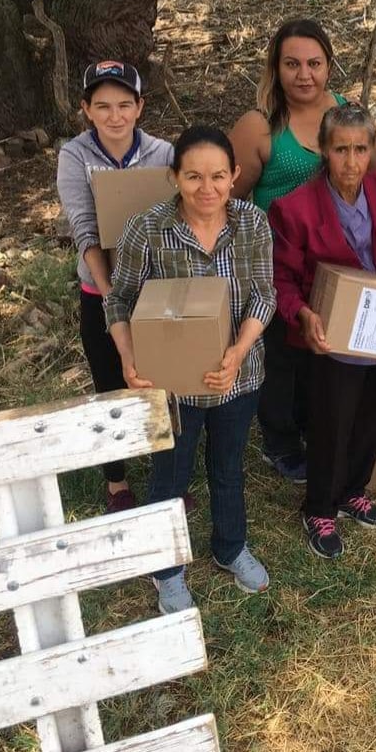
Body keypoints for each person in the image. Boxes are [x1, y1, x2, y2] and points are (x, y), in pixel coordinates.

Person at [105, 125, 276, 615]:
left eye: (219, 176)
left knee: (228, 469)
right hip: (172, 385)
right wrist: (129, 357)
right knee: (169, 476)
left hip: (236, 378)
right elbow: (119, 300)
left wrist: (239, 350)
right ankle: (167, 571)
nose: (208, 189)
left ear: (235, 175)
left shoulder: (252, 224)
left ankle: (230, 548)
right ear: (174, 176)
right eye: (194, 176)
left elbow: (265, 294)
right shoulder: (148, 229)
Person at [271, 105, 376, 559]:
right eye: (341, 150)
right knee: (330, 423)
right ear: (324, 149)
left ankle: (354, 489)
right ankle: (318, 506)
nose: (351, 161)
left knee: (372, 415)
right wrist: (303, 315)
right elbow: (281, 279)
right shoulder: (295, 208)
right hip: (330, 330)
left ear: (373, 148)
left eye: (360, 149)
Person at [229, 19, 348, 485]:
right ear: (275, 69)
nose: (304, 74)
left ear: (329, 66)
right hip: (276, 263)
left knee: (322, 351)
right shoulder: (259, 126)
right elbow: (231, 201)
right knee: (282, 358)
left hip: (335, 261)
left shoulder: (344, 113)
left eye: (314, 64)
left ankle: (311, 426)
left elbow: (372, 175)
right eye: (292, 64)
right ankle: (278, 441)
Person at [55, 60, 174, 513]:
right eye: (102, 106)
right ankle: (117, 481)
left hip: (155, 287)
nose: (115, 116)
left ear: (140, 107)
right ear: (86, 109)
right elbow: (85, 227)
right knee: (110, 382)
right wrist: (110, 297)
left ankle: (169, 474)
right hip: (100, 288)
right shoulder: (75, 156)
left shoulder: (162, 153)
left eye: (125, 104)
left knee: (162, 380)